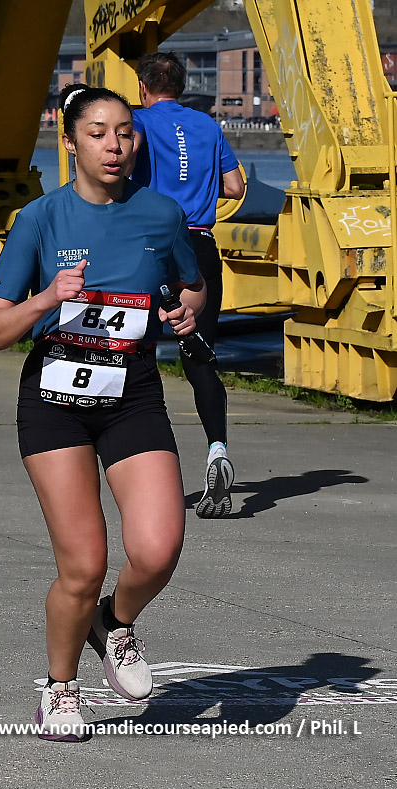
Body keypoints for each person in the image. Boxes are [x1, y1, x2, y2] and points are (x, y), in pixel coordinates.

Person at [0, 84, 206, 742]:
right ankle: (61, 688)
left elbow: (191, 285)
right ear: (70, 140)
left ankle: (115, 622)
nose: (115, 145)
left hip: (132, 393)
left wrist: (186, 311)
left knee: (158, 549)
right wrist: (47, 297)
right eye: (98, 132)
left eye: (125, 132)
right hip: (56, 401)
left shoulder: (161, 214)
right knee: (83, 564)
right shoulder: (40, 218)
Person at [131, 52, 245, 519]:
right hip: (199, 246)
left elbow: (117, 165)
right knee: (199, 357)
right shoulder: (208, 126)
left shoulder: (137, 121)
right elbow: (235, 187)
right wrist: (196, 186)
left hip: (151, 245)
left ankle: (146, 473)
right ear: (181, 86)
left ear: (143, 88)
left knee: (136, 354)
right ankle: (217, 450)